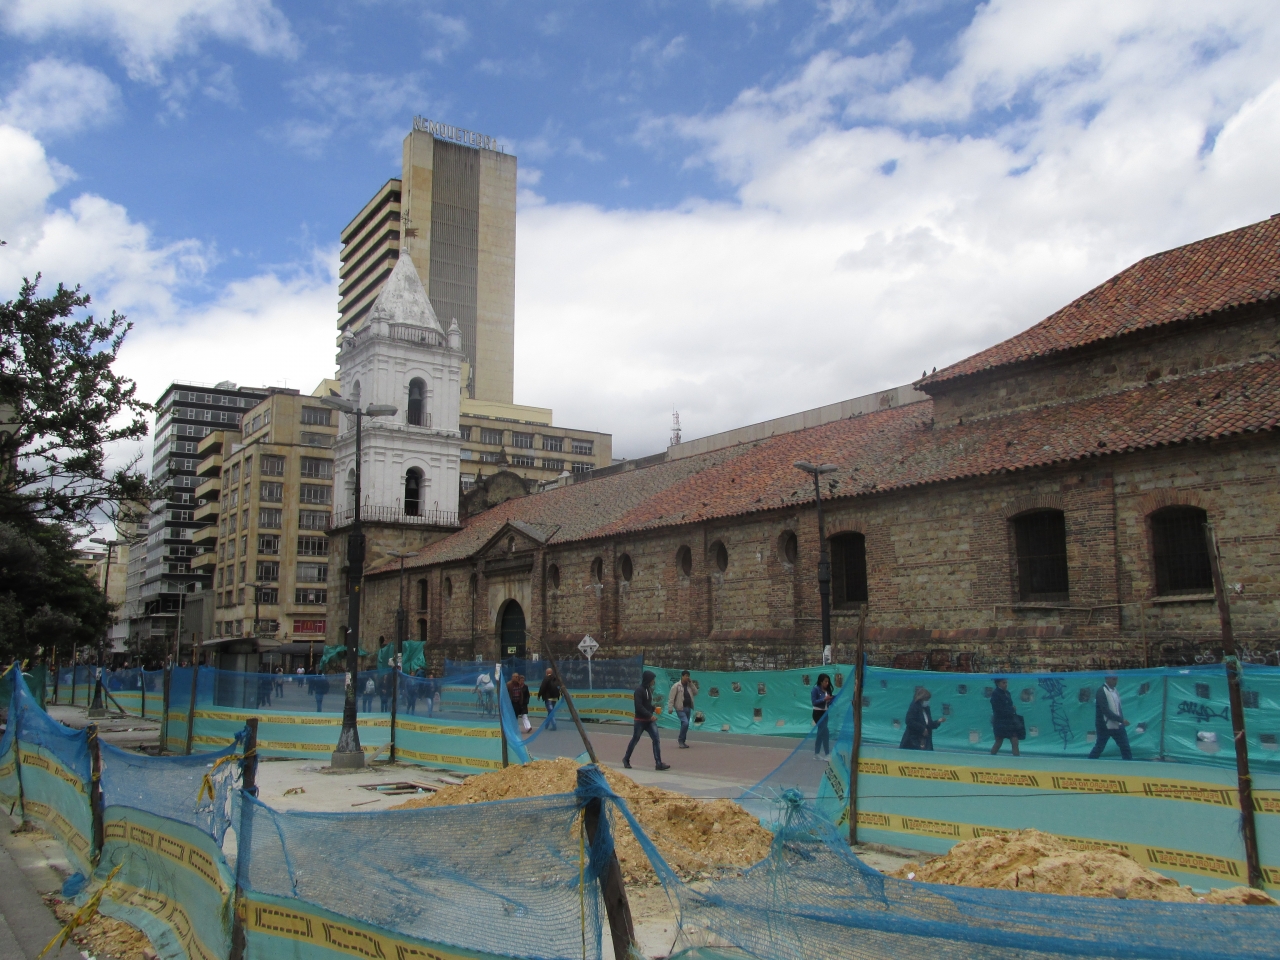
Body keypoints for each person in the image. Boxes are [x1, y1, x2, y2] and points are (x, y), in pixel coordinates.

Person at [623, 670, 670, 770]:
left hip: (649, 721)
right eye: (653, 679)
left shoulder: (649, 689)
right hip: (640, 720)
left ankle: (658, 763)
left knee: (656, 739)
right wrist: (650, 715)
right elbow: (639, 706)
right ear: (648, 679)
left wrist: (653, 709)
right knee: (635, 739)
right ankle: (626, 759)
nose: (654, 681)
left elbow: (647, 705)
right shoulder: (639, 691)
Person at [1089, 675, 1133, 760]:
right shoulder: (1101, 691)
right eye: (1113, 679)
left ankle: (1128, 766)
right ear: (1107, 679)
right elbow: (1105, 710)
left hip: (1117, 725)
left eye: (1116, 679)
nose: (1115, 681)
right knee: (1099, 747)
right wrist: (1121, 720)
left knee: (1125, 747)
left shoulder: (1115, 691)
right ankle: (1088, 764)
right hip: (1104, 726)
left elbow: (1117, 708)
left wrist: (1120, 721)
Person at [990, 678, 1021, 756]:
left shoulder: (1007, 693)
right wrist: (1011, 709)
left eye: (1006, 683)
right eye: (1004, 683)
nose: (1006, 684)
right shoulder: (995, 694)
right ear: (998, 683)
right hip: (1000, 720)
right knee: (999, 741)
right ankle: (991, 758)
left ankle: (1017, 760)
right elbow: (998, 709)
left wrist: (1011, 709)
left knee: (1015, 740)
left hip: (1009, 720)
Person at [668, 670, 696, 748]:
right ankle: (680, 740)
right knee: (685, 722)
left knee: (685, 725)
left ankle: (683, 741)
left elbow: (696, 692)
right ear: (682, 676)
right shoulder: (676, 686)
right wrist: (670, 708)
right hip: (680, 708)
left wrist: (691, 683)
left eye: (688, 676)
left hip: (688, 707)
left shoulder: (689, 685)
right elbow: (671, 697)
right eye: (686, 676)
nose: (687, 677)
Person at [811, 673, 835, 758]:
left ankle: (817, 753)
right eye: (825, 681)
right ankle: (827, 754)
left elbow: (828, 703)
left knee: (821, 732)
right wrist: (824, 699)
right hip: (817, 713)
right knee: (825, 732)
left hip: (825, 713)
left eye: (828, 682)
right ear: (821, 682)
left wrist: (831, 700)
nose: (827, 683)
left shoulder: (827, 691)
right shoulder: (815, 690)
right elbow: (814, 702)